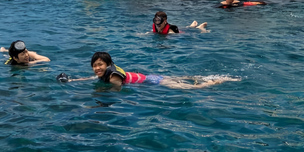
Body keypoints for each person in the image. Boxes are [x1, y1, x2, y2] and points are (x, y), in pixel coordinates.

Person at [56, 52, 240, 91]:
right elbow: (91, 77)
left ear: (108, 64)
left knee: (190, 88)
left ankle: (219, 81)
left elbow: (117, 89)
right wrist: (72, 81)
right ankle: (211, 78)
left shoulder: (112, 77)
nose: (97, 68)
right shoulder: (106, 72)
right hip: (151, 76)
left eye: (100, 65)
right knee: (188, 78)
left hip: (154, 82)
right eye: (94, 65)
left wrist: (99, 98)